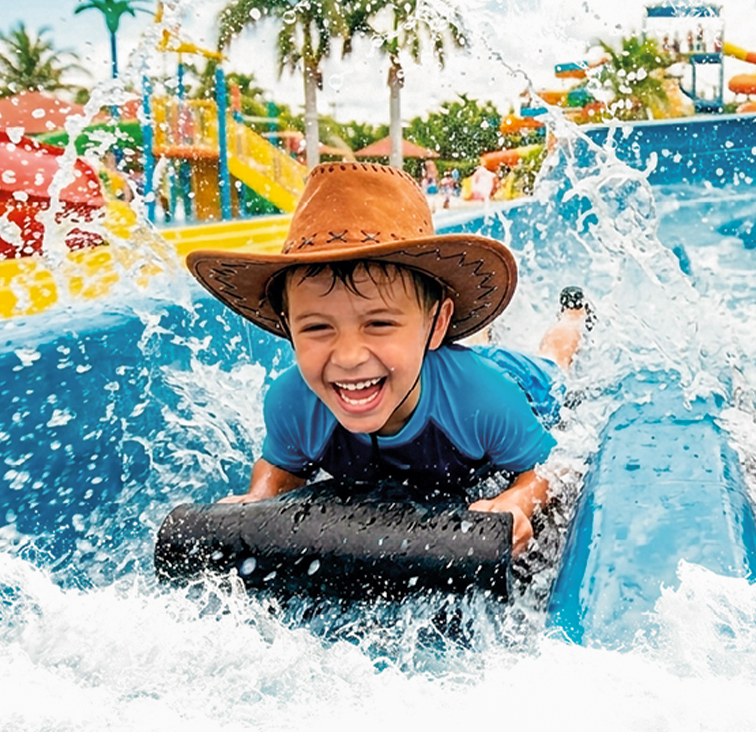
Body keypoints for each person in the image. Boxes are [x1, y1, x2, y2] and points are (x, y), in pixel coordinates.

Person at [184, 162, 588, 555]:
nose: (348, 357)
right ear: (288, 328)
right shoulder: (293, 402)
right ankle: (466, 333)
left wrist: (518, 500)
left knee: (553, 360)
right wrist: (260, 495)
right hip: (430, 361)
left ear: (437, 323)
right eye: (317, 328)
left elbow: (552, 469)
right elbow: (282, 467)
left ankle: (573, 316)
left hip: (510, 380)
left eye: (378, 324)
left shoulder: (485, 399)